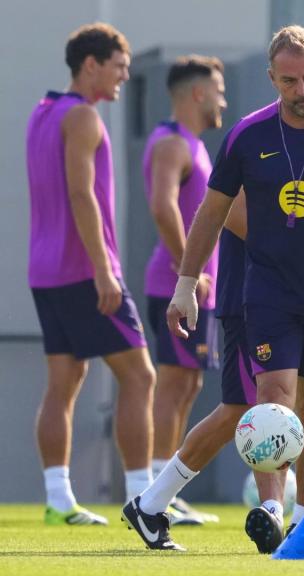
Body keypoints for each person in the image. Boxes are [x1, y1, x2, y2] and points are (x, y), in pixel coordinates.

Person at [124, 26, 304, 553]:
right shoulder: (247, 135)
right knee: (271, 403)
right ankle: (274, 508)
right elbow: (211, 212)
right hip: (266, 293)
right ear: (273, 80)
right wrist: (184, 286)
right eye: (291, 81)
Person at [27, 22, 155, 526]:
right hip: (85, 270)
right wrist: (105, 271)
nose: (124, 76)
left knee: (64, 380)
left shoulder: (44, 113)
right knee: (141, 375)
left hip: (46, 272)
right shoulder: (81, 117)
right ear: (91, 65)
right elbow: (81, 195)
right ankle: (145, 497)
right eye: (119, 66)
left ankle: (58, 499)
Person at [142, 54, 226, 526]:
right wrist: (185, 275)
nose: (223, 99)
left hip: (197, 290)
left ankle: (164, 489)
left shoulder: (193, 144)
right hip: (177, 286)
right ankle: (155, 490)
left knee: (187, 383)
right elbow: (162, 205)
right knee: (173, 384)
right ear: (197, 93)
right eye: (217, 89)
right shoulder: (173, 142)